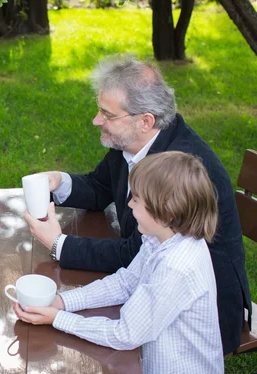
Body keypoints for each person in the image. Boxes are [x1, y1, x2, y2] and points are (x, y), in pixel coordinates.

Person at [24, 54, 251, 355]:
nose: (96, 120)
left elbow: (133, 253)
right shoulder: (134, 141)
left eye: (107, 114)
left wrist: (59, 244)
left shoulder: (179, 171)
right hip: (150, 287)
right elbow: (101, 186)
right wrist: (58, 181)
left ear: (145, 120)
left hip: (203, 317)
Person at [16, 151, 226, 374]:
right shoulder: (160, 238)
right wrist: (62, 302)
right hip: (152, 373)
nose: (129, 204)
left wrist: (57, 319)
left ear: (165, 213)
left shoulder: (176, 267)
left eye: (136, 200)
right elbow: (126, 282)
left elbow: (125, 334)